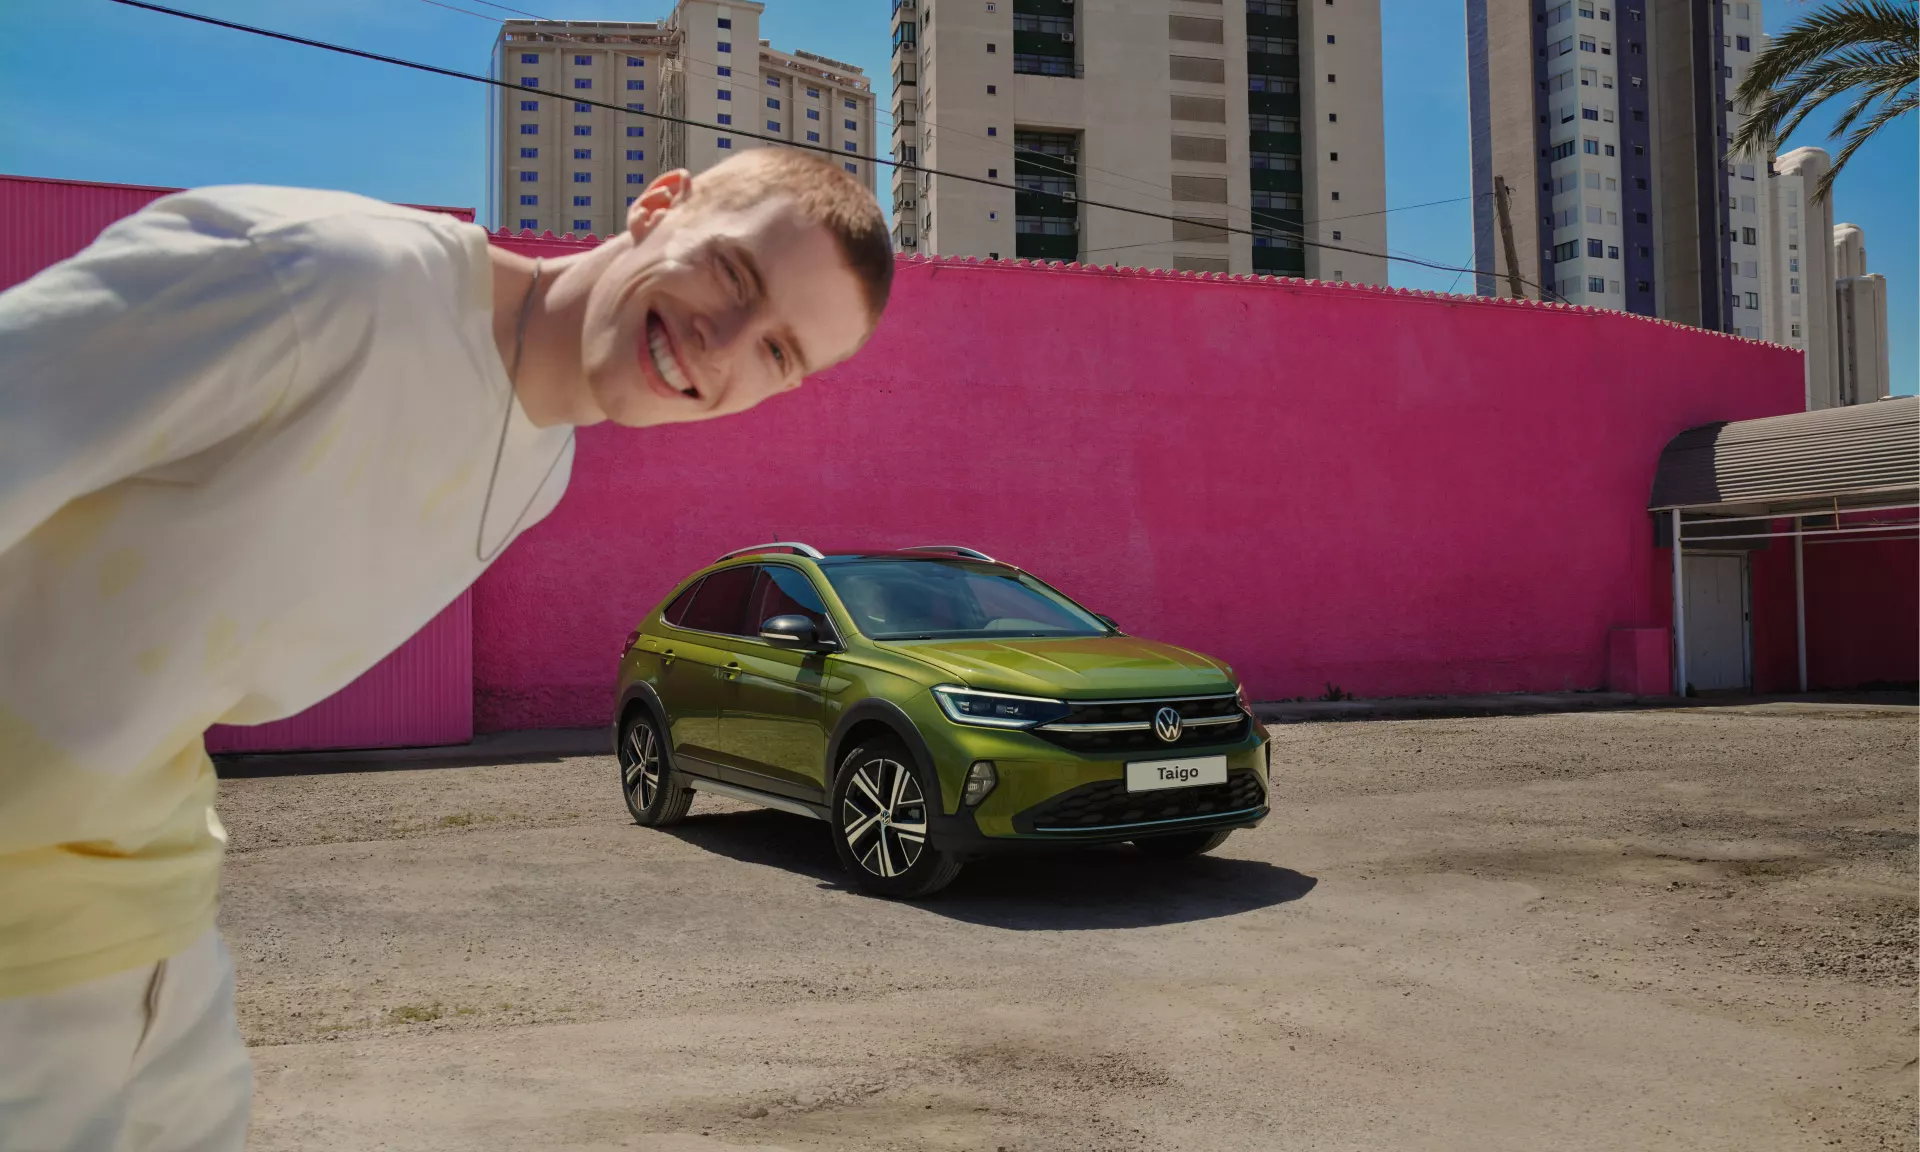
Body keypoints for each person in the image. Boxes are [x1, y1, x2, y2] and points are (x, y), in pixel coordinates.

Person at [0, 146, 893, 1149]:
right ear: (657, 205)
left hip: (147, 924)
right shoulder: (326, 280)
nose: (722, 343)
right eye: (731, 273)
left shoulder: (538, 468)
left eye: (778, 353)